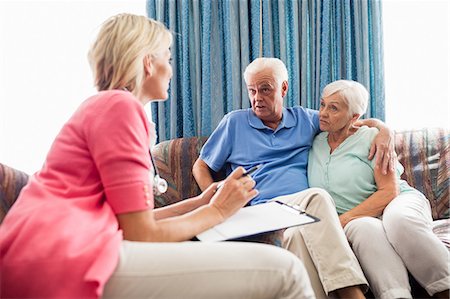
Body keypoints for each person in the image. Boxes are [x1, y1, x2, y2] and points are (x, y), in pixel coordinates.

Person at [0, 14, 316, 299]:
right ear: (148, 63)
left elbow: (134, 221)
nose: (170, 68)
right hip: (65, 257)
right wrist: (218, 211)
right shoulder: (120, 109)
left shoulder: (106, 106)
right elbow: (141, 234)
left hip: (49, 253)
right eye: (167, 56)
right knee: (286, 271)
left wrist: (203, 201)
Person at [193, 57, 396, 298]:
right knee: (319, 197)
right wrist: (219, 201)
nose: (257, 98)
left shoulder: (305, 119)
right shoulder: (234, 122)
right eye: (252, 90)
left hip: (300, 216)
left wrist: (385, 131)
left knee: (295, 237)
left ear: (284, 88)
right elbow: (201, 166)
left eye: (265, 89)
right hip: (261, 209)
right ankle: (352, 294)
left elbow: (352, 121)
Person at [307, 79, 450, 299]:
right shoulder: (315, 140)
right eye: (322, 104)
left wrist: (339, 221)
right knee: (367, 230)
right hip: (359, 219)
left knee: (399, 221)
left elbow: (388, 192)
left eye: (333, 108)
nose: (323, 113)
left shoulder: (372, 138)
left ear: (354, 117)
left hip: (397, 200)